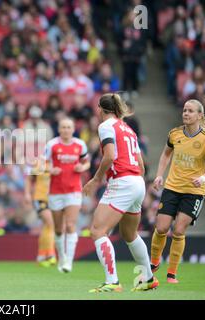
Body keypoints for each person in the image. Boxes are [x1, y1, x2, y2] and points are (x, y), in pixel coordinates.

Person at [83, 93, 158, 293]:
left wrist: (96, 179)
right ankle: (148, 278)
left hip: (123, 181)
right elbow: (141, 163)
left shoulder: (106, 126)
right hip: (137, 181)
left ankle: (112, 281)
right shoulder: (128, 129)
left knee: (98, 230)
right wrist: (136, 182)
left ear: (100, 109)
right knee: (129, 233)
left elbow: (109, 156)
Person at [151, 99, 205, 283]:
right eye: (184, 110)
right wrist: (159, 175)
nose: (186, 113)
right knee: (161, 227)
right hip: (172, 187)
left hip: (194, 191)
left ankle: (171, 273)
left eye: (190, 111)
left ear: (199, 115)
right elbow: (166, 154)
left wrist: (204, 178)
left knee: (179, 231)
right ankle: (154, 263)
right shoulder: (174, 133)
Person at [44, 118, 90, 273]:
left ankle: (68, 262)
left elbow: (87, 162)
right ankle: (62, 257)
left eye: (68, 127)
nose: (66, 130)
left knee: (70, 225)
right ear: (59, 129)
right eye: (63, 127)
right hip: (55, 191)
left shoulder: (80, 145)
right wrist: (50, 170)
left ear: (73, 129)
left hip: (74, 190)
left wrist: (82, 167)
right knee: (58, 229)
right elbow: (42, 163)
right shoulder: (52, 145)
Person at [24, 159, 56, 267]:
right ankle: (51, 254)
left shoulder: (59, 161)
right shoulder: (39, 163)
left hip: (55, 198)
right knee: (50, 223)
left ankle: (41, 255)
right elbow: (29, 177)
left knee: (47, 226)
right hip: (40, 197)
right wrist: (27, 193)